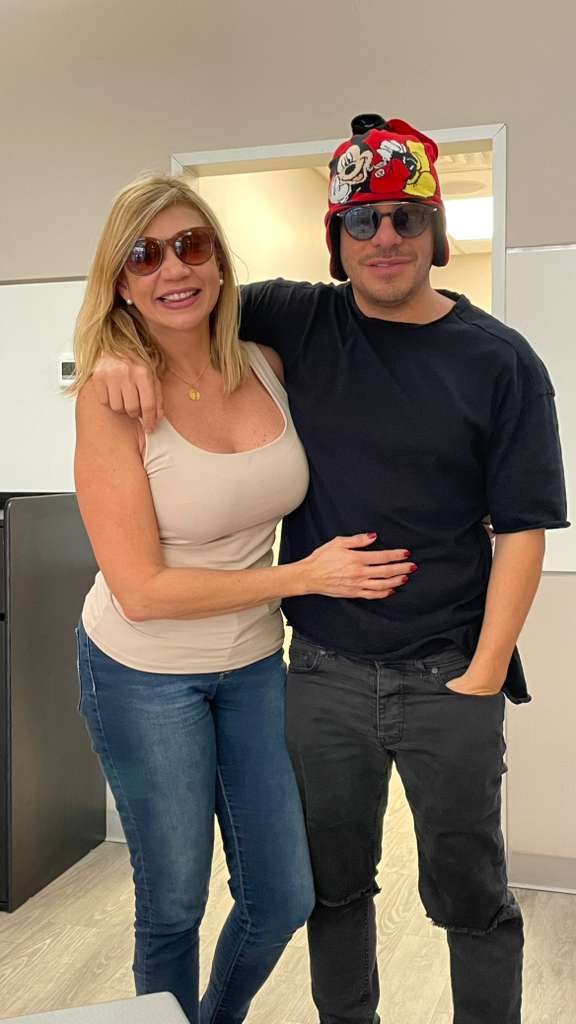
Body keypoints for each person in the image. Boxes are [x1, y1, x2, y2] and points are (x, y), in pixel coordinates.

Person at [91, 114, 569, 1024]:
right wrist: (112, 351)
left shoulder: (501, 362)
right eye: (361, 219)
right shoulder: (297, 318)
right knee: (333, 892)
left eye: (405, 217)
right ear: (337, 238)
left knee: (471, 894)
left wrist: (482, 675)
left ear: (435, 231)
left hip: (450, 674)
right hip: (319, 676)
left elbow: (523, 530)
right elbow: (172, 304)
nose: (384, 237)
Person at [71, 173, 417, 1024]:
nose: (173, 269)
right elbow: (141, 592)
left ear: (220, 263)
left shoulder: (267, 364)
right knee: (174, 903)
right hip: (142, 670)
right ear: (121, 282)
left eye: (191, 246)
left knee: (283, 896)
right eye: (144, 256)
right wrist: (303, 577)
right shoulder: (113, 399)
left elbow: (372, 405)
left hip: (255, 664)